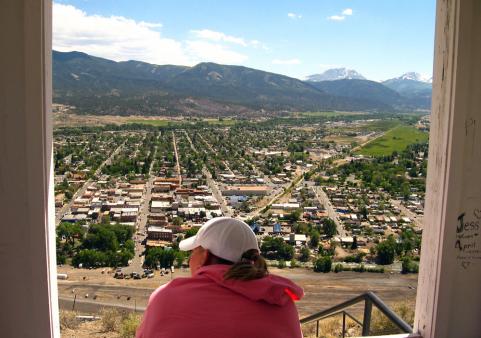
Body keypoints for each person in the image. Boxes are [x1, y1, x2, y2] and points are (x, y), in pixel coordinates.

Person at [136, 217, 304, 338]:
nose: (189, 259)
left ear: (205, 256)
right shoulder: (281, 302)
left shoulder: (165, 297)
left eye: (194, 251)